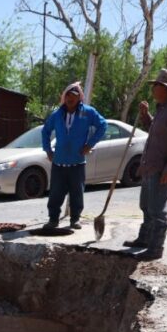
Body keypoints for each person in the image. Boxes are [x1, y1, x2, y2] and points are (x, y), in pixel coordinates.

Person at [124, 68, 167, 261]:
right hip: (149, 165)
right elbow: (156, 132)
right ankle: (144, 239)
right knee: (146, 205)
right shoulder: (163, 108)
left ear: (166, 88)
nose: (153, 88)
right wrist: (146, 116)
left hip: (162, 169)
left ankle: (156, 248)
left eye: (156, 85)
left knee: (157, 210)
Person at [41, 82, 107, 231]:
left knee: (77, 193)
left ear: (80, 98)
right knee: (56, 194)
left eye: (74, 96)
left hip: (77, 163)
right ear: (64, 97)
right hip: (59, 163)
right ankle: (53, 220)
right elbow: (45, 131)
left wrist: (90, 145)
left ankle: (74, 220)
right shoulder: (57, 115)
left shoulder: (88, 112)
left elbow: (103, 125)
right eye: (68, 95)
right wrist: (48, 150)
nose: (71, 99)